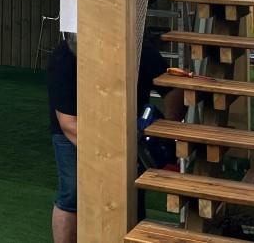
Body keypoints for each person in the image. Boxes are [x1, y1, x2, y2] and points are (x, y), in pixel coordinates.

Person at [46, 34, 178, 243]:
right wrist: (109, 157)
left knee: (131, 193)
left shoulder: (139, 50)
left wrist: (167, 131)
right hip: (75, 130)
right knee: (72, 193)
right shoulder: (64, 57)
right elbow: (69, 124)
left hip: (129, 131)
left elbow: (173, 90)